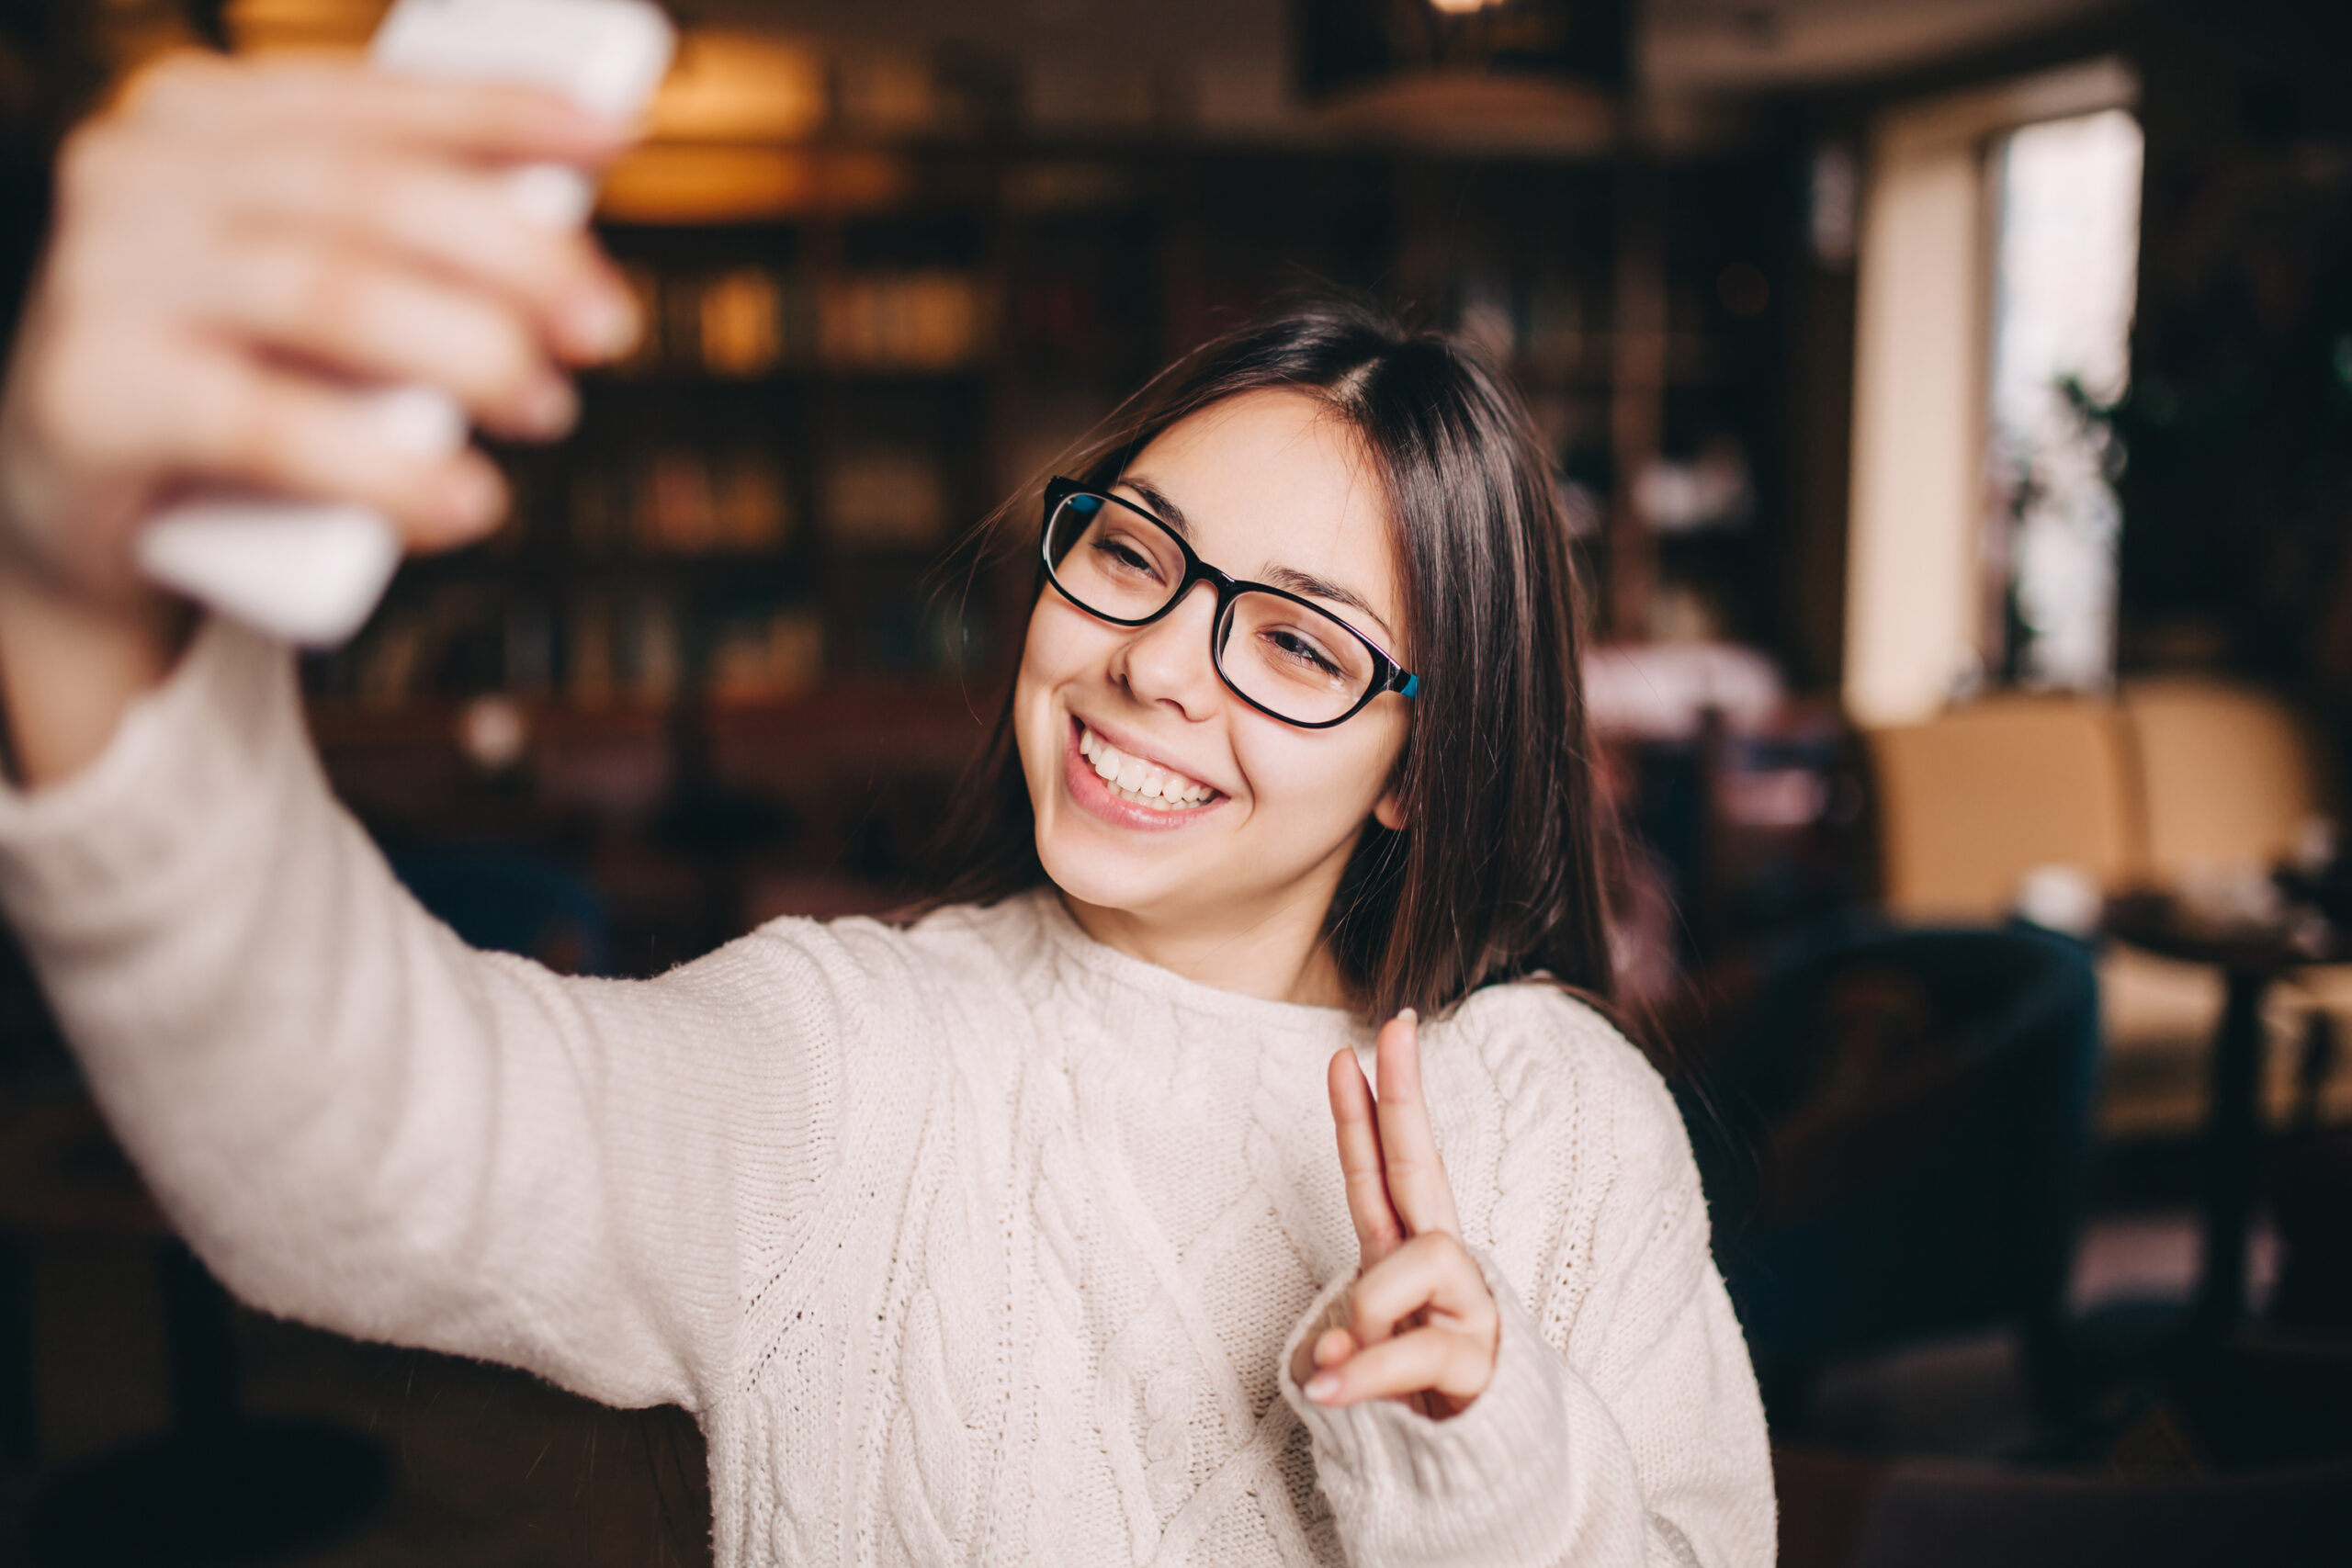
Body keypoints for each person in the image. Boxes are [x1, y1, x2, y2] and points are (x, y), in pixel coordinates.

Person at [0, 52, 1772, 1568]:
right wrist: (73, 613)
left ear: (1418, 771)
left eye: (1300, 642)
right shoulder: (848, 1059)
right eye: (1136, 552)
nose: (1158, 662)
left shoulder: (1564, 1126)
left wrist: (1483, 1442)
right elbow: (363, 1136)